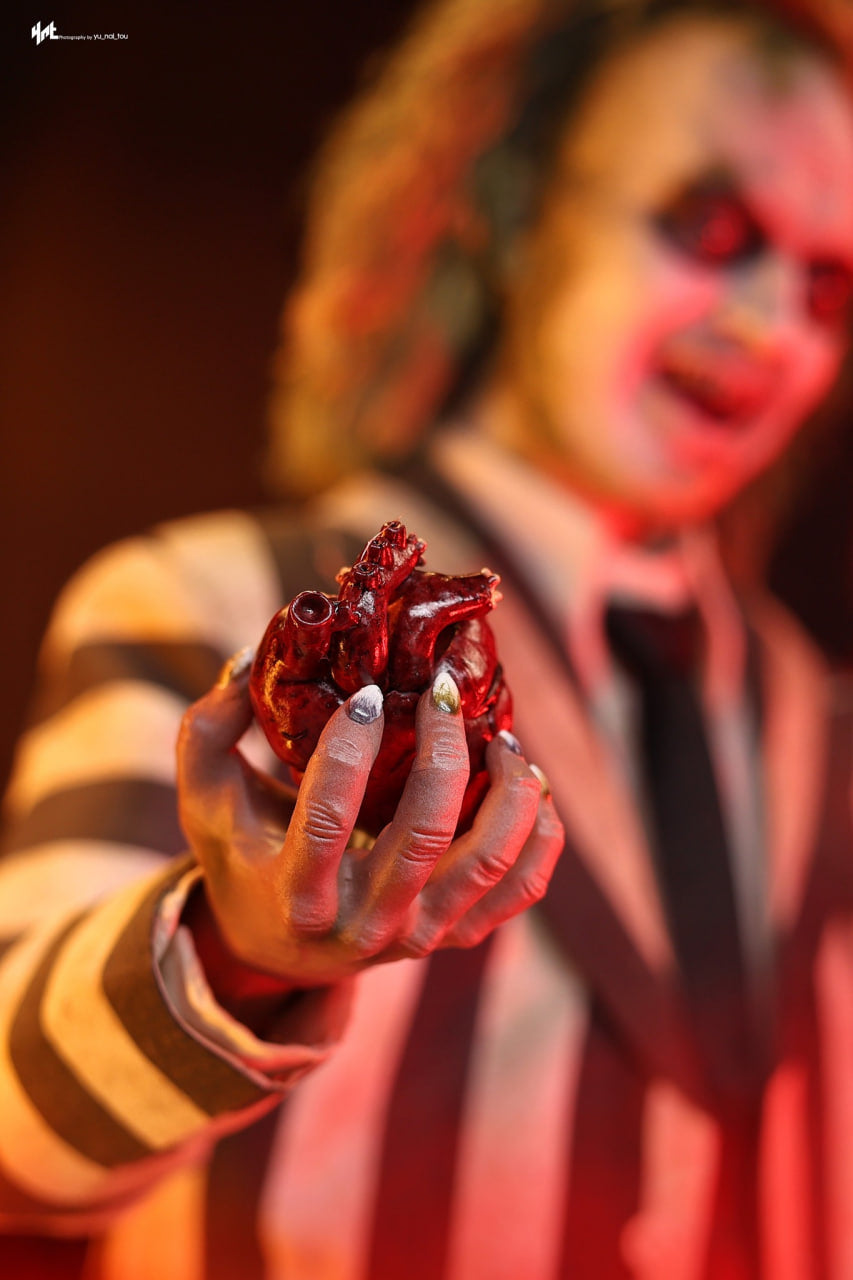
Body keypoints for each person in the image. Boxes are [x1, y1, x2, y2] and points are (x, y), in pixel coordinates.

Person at [2, 0, 853, 1276]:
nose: (774, 328)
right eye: (710, 229)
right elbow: (14, 1134)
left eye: (828, 286)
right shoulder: (208, 598)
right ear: (509, 208)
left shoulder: (820, 727)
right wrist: (232, 954)